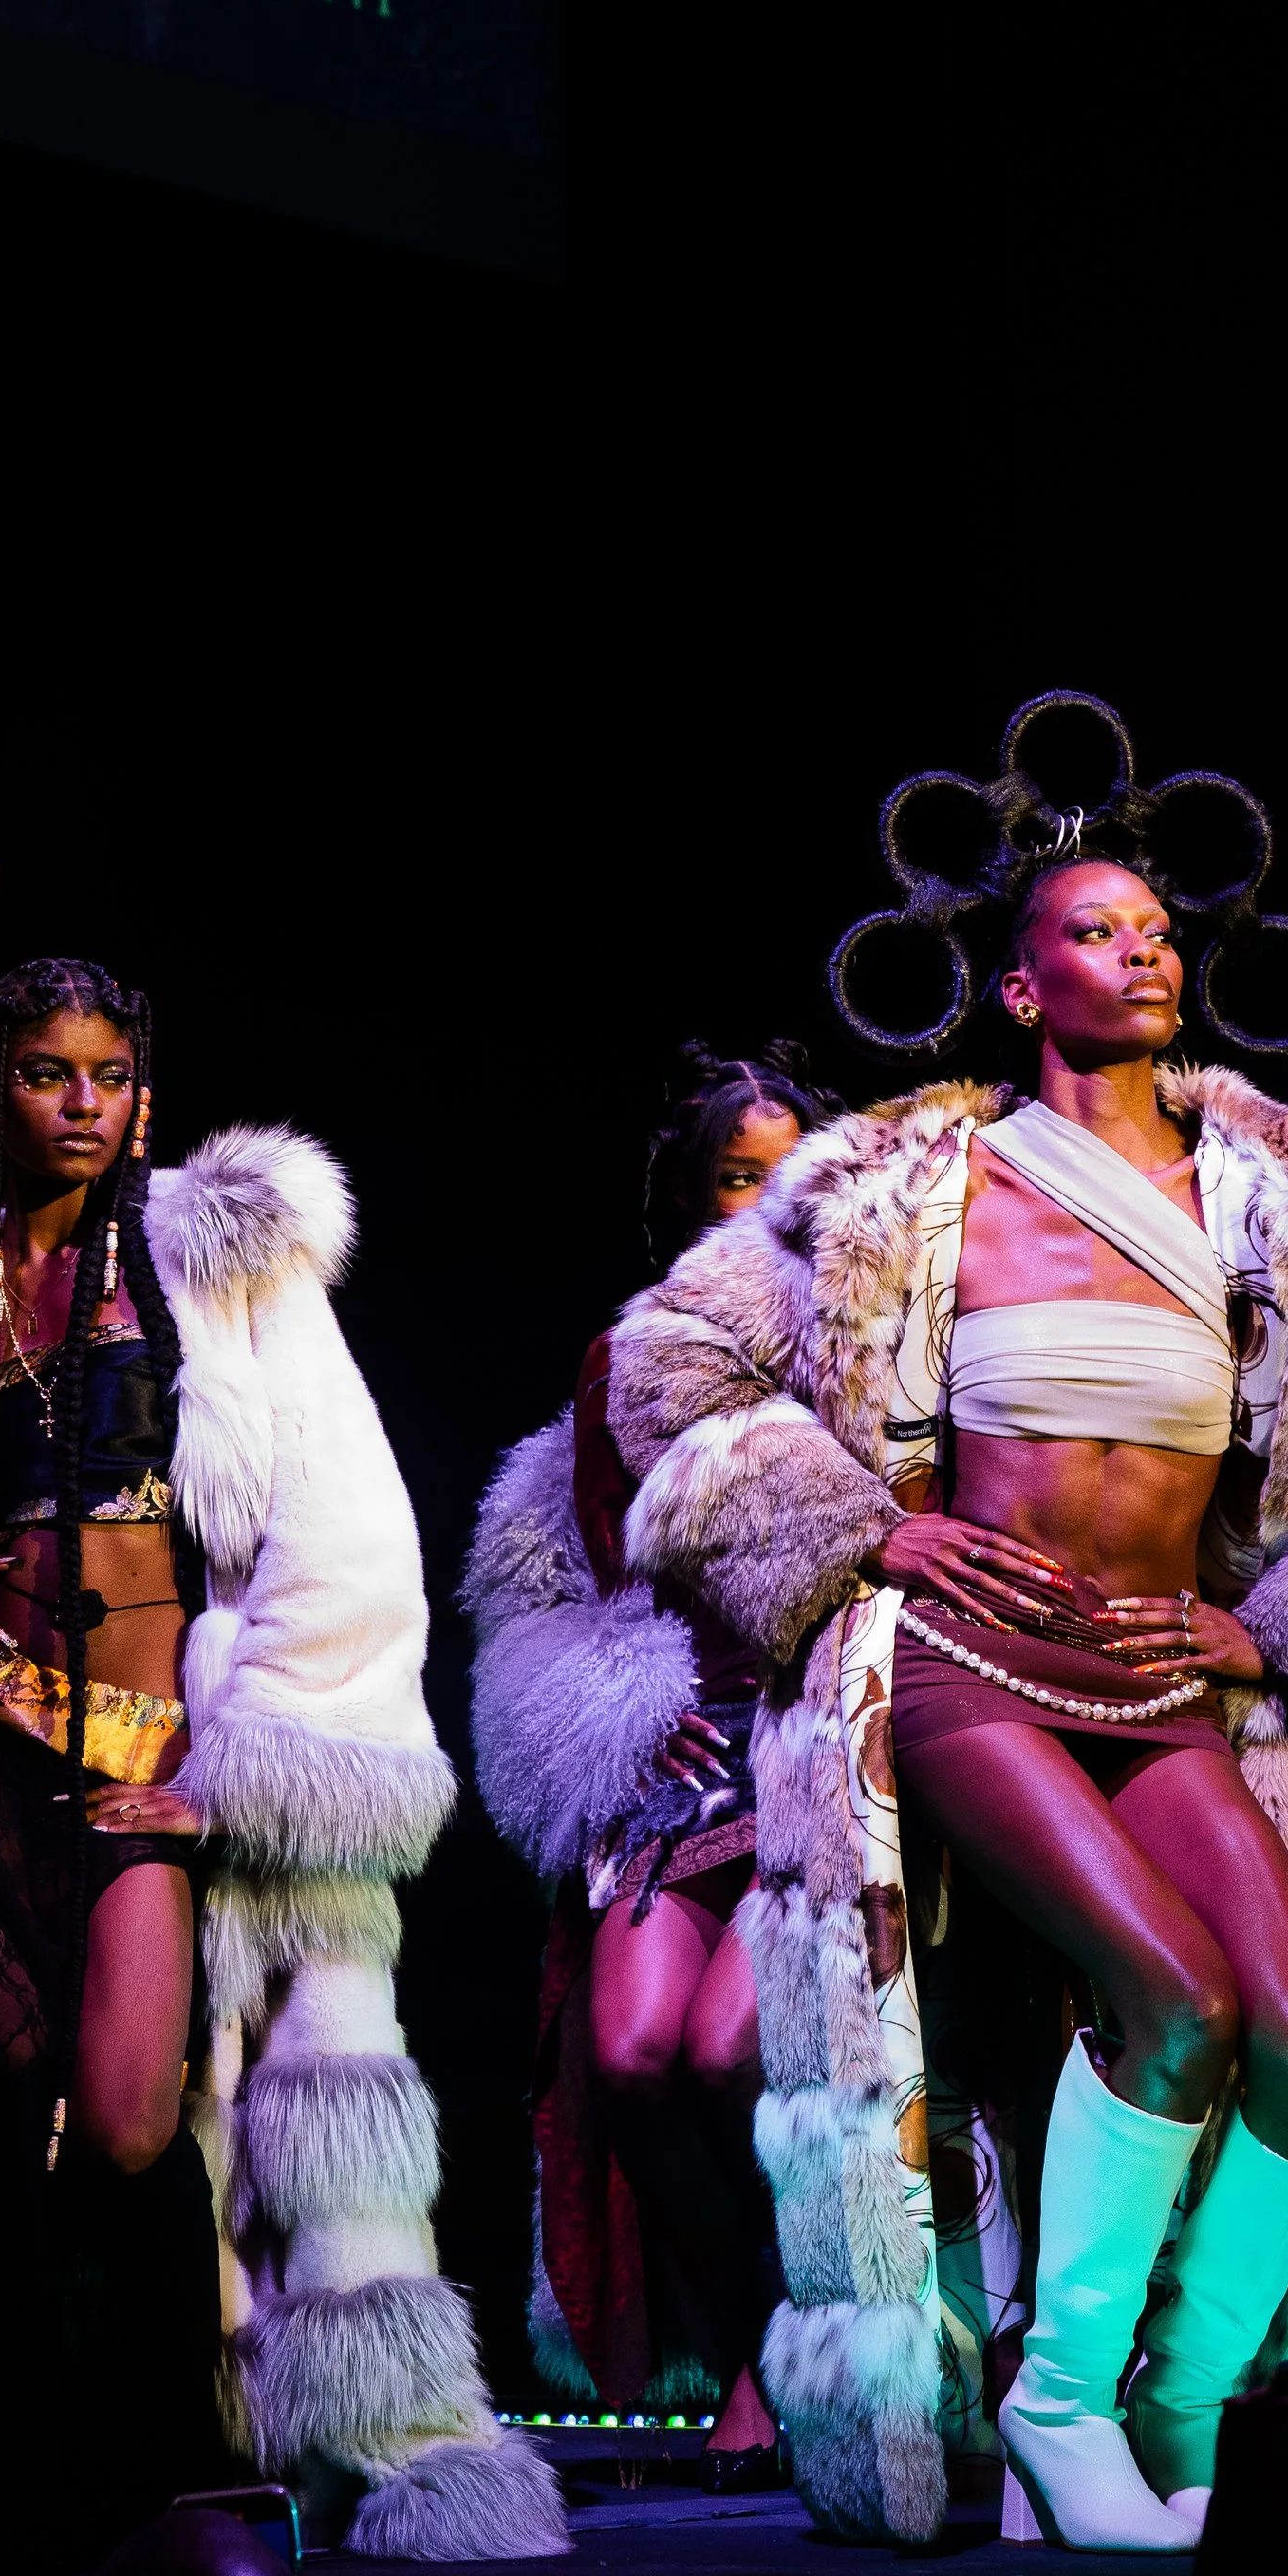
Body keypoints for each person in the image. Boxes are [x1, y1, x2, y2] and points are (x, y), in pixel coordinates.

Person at [608, 695, 1288, 2548]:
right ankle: (1062, 2398)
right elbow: (670, 1366)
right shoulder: (904, 1184)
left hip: (1155, 1675)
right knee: (1176, 1999)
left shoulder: (1286, 1197)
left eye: (1159, 928)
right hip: (970, 1668)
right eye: (1098, 932)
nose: (1143, 950)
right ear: (1024, 986)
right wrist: (864, 1528)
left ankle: (1176, 2404)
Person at [0, 953, 566, 2565]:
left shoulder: (228, 1270)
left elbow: (350, 1521)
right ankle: (5, 2507)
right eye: (42, 1072)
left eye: (107, 1074)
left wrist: (244, 1761)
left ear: (142, 1097)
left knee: (132, 2118)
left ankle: (163, 2477)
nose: (79, 1102)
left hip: (148, 1752)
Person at [464, 1044, 833, 2482]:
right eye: (737, 1177)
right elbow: (600, 1575)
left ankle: (807, 2336)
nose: (765, 1203)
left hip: (827, 1728)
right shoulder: (625, 1355)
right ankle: (755, 2340)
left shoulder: (867, 1336)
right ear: (690, 1195)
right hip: (685, 1743)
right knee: (629, 2053)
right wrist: (619, 1705)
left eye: (788, 1175)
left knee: (732, 2047)